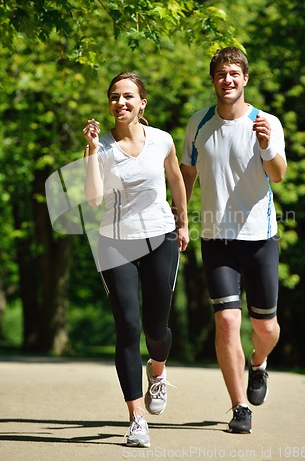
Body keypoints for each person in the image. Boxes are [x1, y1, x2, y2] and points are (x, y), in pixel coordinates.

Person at [180, 47, 287, 434]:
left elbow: (278, 174)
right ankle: (240, 406)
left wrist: (266, 146)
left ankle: (258, 364)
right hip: (216, 239)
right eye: (221, 74)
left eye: (234, 73)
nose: (228, 79)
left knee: (266, 328)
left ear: (245, 79)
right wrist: (180, 216)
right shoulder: (199, 122)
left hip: (260, 239)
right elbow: (187, 172)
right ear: (214, 81)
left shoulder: (265, 121)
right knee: (226, 321)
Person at [83, 72, 189, 447]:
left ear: (143, 102)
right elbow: (94, 199)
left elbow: (176, 178)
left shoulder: (162, 140)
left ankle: (156, 372)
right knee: (128, 327)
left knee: (156, 328)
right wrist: (92, 152)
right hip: (115, 243)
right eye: (114, 96)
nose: (121, 102)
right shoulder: (101, 146)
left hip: (160, 237)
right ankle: (136, 419)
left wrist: (183, 222)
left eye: (129, 96)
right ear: (109, 104)